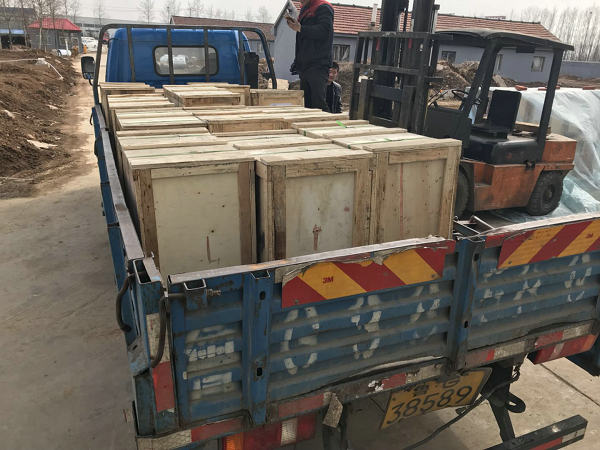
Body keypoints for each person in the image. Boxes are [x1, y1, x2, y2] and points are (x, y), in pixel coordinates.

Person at [286, 0, 334, 111]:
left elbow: (324, 31)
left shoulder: (323, 7)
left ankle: (326, 121)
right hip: (305, 64)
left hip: (318, 64)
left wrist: (301, 28)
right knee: (307, 104)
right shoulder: (305, 9)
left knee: (318, 103)